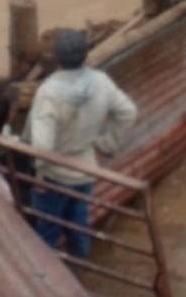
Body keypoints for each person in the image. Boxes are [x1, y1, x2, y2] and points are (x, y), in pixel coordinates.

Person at [26, 28, 137, 259]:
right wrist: (106, 143)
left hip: (54, 176)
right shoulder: (101, 81)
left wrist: (39, 177)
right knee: (78, 222)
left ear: (56, 58)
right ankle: (80, 262)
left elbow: (42, 147)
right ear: (85, 55)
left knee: (48, 229)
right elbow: (128, 112)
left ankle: (47, 277)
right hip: (85, 169)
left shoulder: (48, 92)